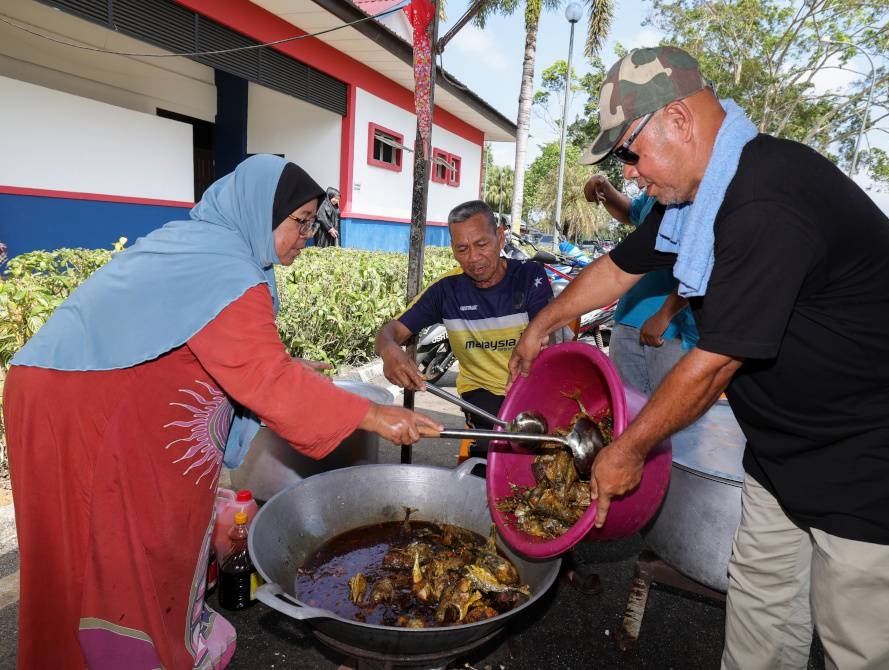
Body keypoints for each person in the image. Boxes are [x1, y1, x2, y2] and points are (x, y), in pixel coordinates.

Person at [509, 46, 889, 670]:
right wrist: (541, 325)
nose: (630, 174)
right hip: (790, 447)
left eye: (629, 152)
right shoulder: (695, 205)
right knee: (760, 614)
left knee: (866, 646)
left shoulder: (767, 197)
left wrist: (627, 450)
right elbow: (618, 267)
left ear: (678, 121)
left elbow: (715, 361)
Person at [2, 155, 441, 669]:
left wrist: (289, 368)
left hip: (101, 396)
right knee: (96, 543)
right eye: (298, 221)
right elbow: (268, 380)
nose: (307, 235)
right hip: (79, 406)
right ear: (259, 211)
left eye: (311, 223)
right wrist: (375, 417)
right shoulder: (223, 267)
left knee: (150, 532)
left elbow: (218, 351)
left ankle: (156, 641)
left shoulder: (213, 249)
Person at [376, 200, 553, 457]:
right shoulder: (447, 290)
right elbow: (390, 331)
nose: (473, 258)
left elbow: (547, 334)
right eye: (462, 249)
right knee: (501, 449)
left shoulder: (528, 276)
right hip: (481, 393)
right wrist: (389, 349)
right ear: (453, 249)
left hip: (532, 386)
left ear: (500, 237)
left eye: (482, 244)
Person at [583, 174, 699, 396]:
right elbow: (632, 212)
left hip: (671, 332)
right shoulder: (654, 195)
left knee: (672, 421)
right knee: (628, 413)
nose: (631, 172)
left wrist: (665, 314)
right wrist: (606, 188)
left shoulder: (698, 196)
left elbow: (704, 265)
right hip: (628, 319)